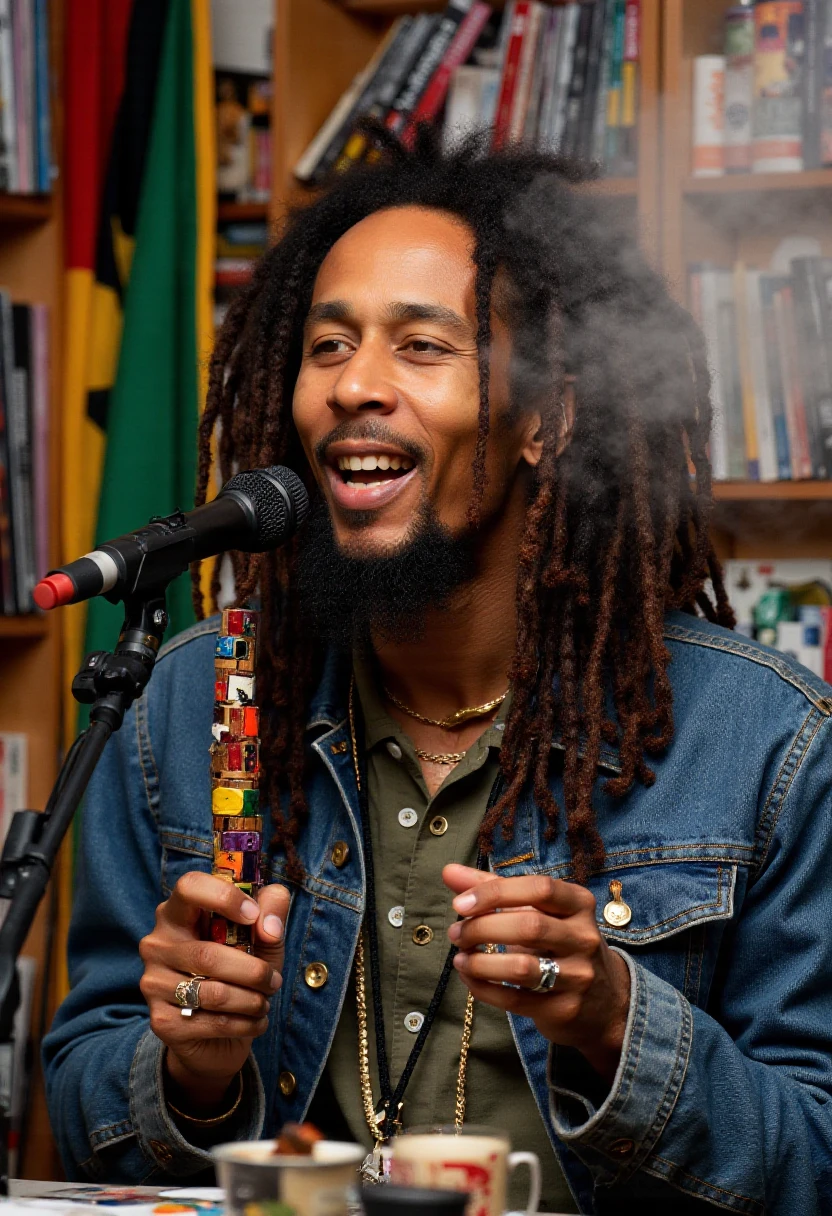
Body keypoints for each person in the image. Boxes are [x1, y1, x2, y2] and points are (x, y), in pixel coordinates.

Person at [43, 128, 832, 1214]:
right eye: (326, 346)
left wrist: (614, 1022)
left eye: (421, 346)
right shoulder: (182, 705)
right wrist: (190, 1072)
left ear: (545, 420)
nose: (354, 385)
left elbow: (815, 1162)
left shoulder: (763, 742)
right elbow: (85, 1119)